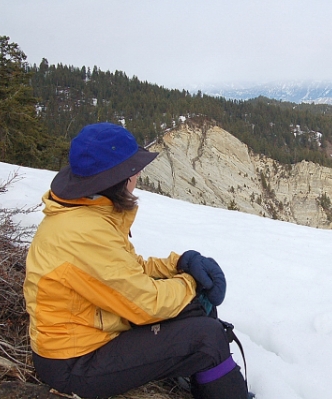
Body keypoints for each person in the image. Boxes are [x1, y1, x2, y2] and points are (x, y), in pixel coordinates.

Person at [23, 122, 250, 398]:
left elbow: (128, 272)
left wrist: (181, 263)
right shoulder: (82, 233)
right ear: (118, 179)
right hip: (74, 364)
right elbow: (146, 304)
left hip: (88, 340)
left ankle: (199, 378)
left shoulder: (87, 215)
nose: (138, 175)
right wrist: (191, 283)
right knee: (208, 337)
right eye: (134, 169)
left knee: (195, 312)